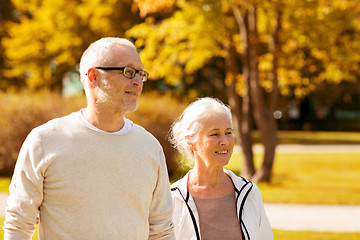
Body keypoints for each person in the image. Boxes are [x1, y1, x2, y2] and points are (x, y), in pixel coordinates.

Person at [3, 37, 175, 240]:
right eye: (128, 72)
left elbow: (161, 230)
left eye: (140, 73)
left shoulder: (149, 147)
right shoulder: (45, 140)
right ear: (93, 76)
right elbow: (18, 224)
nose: (138, 82)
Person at [168, 97, 273, 240]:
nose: (225, 141)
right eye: (214, 134)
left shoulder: (250, 193)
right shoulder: (172, 199)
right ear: (191, 142)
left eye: (228, 132)